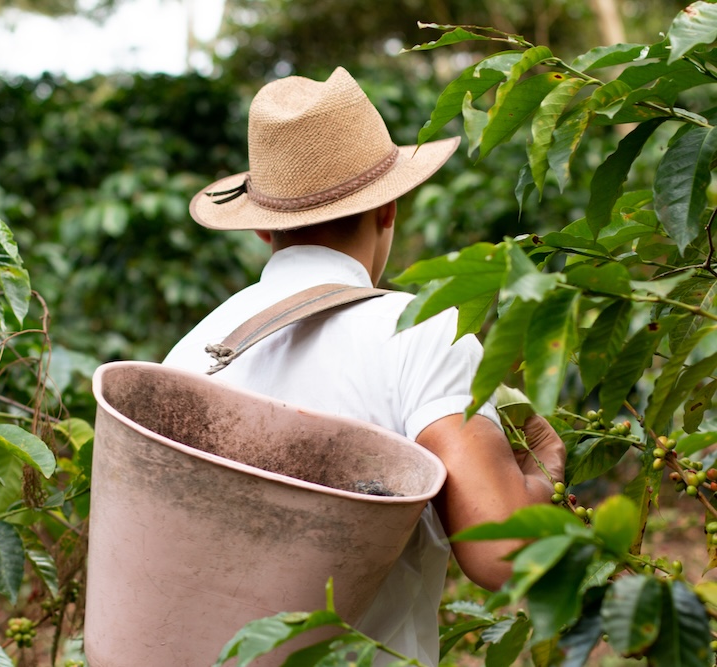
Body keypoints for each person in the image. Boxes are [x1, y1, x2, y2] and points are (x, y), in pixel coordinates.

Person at [162, 66, 567, 666]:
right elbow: (501, 549)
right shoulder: (422, 332)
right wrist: (545, 475)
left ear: (262, 230)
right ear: (389, 210)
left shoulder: (189, 355)